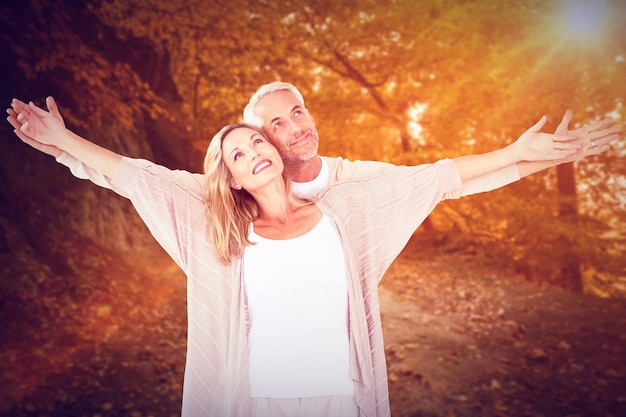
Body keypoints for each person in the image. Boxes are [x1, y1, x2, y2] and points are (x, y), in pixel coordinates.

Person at [6, 97, 619, 417]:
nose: (253, 154)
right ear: (234, 181)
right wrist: (60, 139)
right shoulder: (218, 229)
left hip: (340, 397)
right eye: (238, 157)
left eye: (255, 143)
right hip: (258, 400)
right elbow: (133, 175)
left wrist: (519, 150)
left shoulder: (345, 211)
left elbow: (440, 175)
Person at [242, 81, 618, 198]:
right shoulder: (248, 196)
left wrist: (545, 155)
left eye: (297, 112)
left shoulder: (354, 177)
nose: (296, 127)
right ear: (263, 142)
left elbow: (443, 182)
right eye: (277, 124)